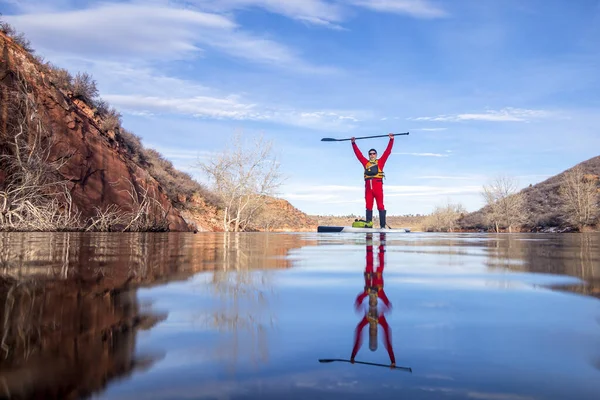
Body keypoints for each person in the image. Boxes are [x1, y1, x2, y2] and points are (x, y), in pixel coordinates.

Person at [350, 233, 396, 368]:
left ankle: (370, 241)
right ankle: (382, 241)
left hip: (370, 283)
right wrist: (392, 360)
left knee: (369, 263)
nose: (373, 331)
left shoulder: (366, 320)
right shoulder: (381, 319)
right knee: (379, 265)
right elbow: (387, 341)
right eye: (374, 333)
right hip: (377, 283)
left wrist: (353, 355)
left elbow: (358, 336)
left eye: (372, 332)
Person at [351, 133, 394, 229]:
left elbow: (387, 152)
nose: (372, 155)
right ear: (369, 155)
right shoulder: (365, 163)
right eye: (370, 154)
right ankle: (369, 226)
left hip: (378, 188)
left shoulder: (381, 162)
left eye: (374, 153)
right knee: (368, 207)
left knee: (380, 206)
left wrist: (391, 140)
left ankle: (382, 226)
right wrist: (353, 143)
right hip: (368, 190)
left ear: (376, 155)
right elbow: (359, 155)